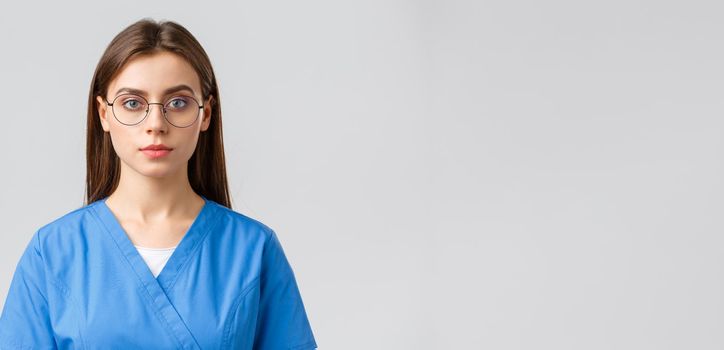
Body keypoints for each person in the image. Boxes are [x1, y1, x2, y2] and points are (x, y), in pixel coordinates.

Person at [0, 18, 317, 349]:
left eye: (177, 103)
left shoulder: (253, 250)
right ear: (103, 114)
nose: (155, 124)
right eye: (132, 103)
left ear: (205, 113)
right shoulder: (53, 251)